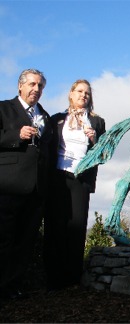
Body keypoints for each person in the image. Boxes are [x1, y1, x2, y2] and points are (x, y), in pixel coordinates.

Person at [44, 79, 105, 291]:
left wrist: (95, 140)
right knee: (56, 225)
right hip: (58, 177)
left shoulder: (97, 122)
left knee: (77, 227)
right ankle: (52, 278)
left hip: (81, 178)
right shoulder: (57, 120)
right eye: (79, 91)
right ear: (71, 94)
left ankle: (72, 279)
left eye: (87, 93)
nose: (83, 96)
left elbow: (105, 154)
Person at [0, 69, 52, 300]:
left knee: (25, 242)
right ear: (20, 86)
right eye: (32, 84)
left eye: (40, 86)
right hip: (7, 186)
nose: (36, 89)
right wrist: (15, 135)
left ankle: (13, 287)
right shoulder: (3, 108)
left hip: (36, 190)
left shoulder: (45, 116)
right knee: (3, 239)